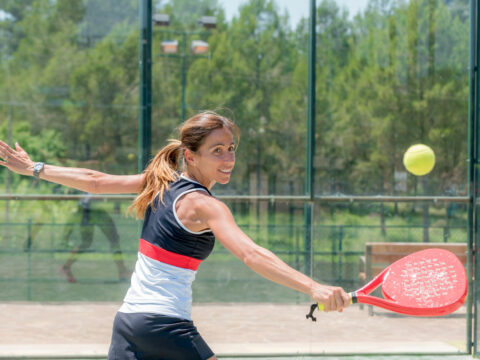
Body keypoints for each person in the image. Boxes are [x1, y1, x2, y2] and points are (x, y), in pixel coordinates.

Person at [0, 111, 350, 360]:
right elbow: (251, 254)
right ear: (190, 156)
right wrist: (313, 287)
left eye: (231, 149)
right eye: (217, 150)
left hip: (129, 325)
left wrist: (34, 168)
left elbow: (95, 181)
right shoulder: (204, 205)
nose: (228, 158)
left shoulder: (159, 183)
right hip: (165, 326)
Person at [60, 194, 131, 283]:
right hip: (88, 208)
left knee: (108, 240)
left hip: (89, 208)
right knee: (111, 240)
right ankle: (122, 271)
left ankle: (122, 271)